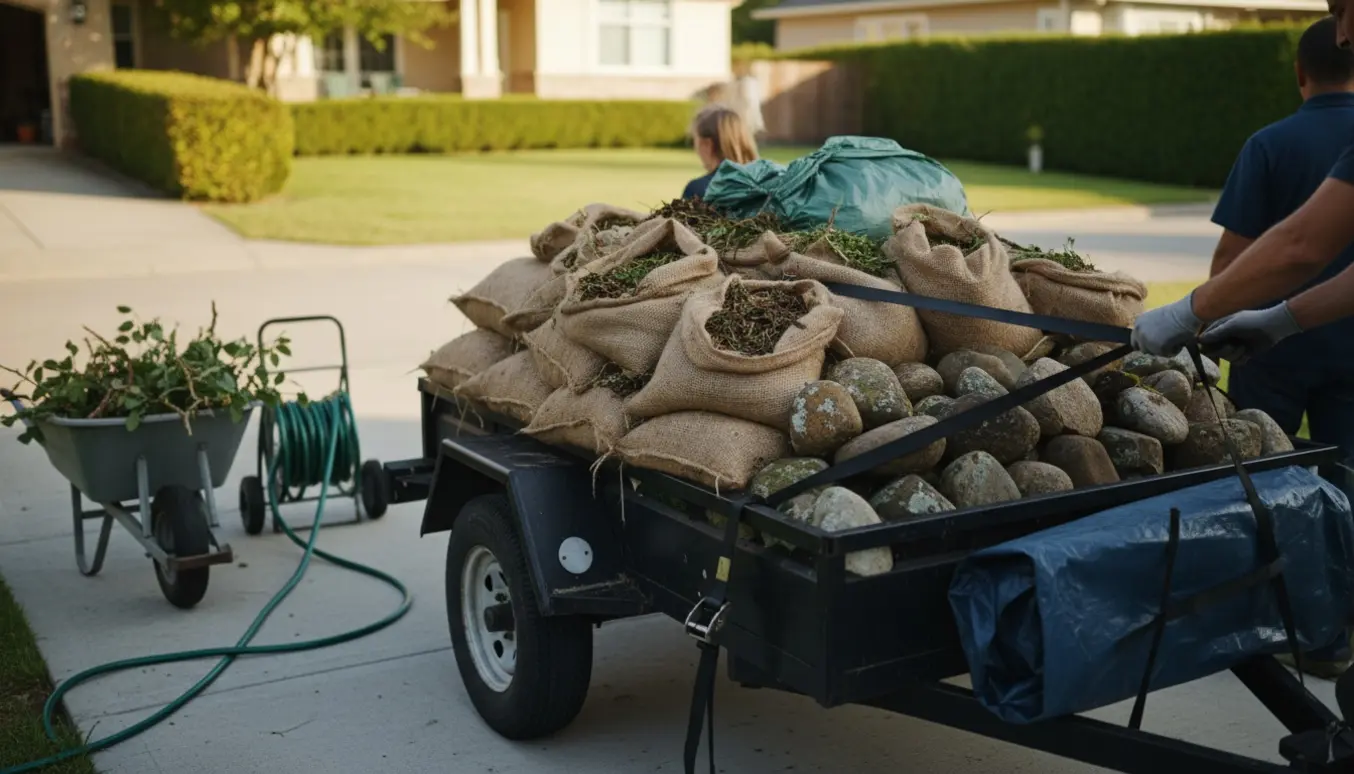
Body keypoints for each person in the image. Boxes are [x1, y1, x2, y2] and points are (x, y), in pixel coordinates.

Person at [1133, 11, 1354, 678]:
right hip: (1331, 344)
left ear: (1297, 73)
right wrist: (1282, 316)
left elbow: (1278, 247)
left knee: (1264, 486)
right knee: (1344, 483)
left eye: (1347, 13)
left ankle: (1262, 624)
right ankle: (1332, 637)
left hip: (1274, 364)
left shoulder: (1270, 143)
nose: (1344, 33)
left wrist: (1188, 315)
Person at [682, 105, 760, 200]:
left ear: (707, 144)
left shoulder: (697, 190)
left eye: (695, 140)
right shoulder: (766, 186)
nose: (695, 148)